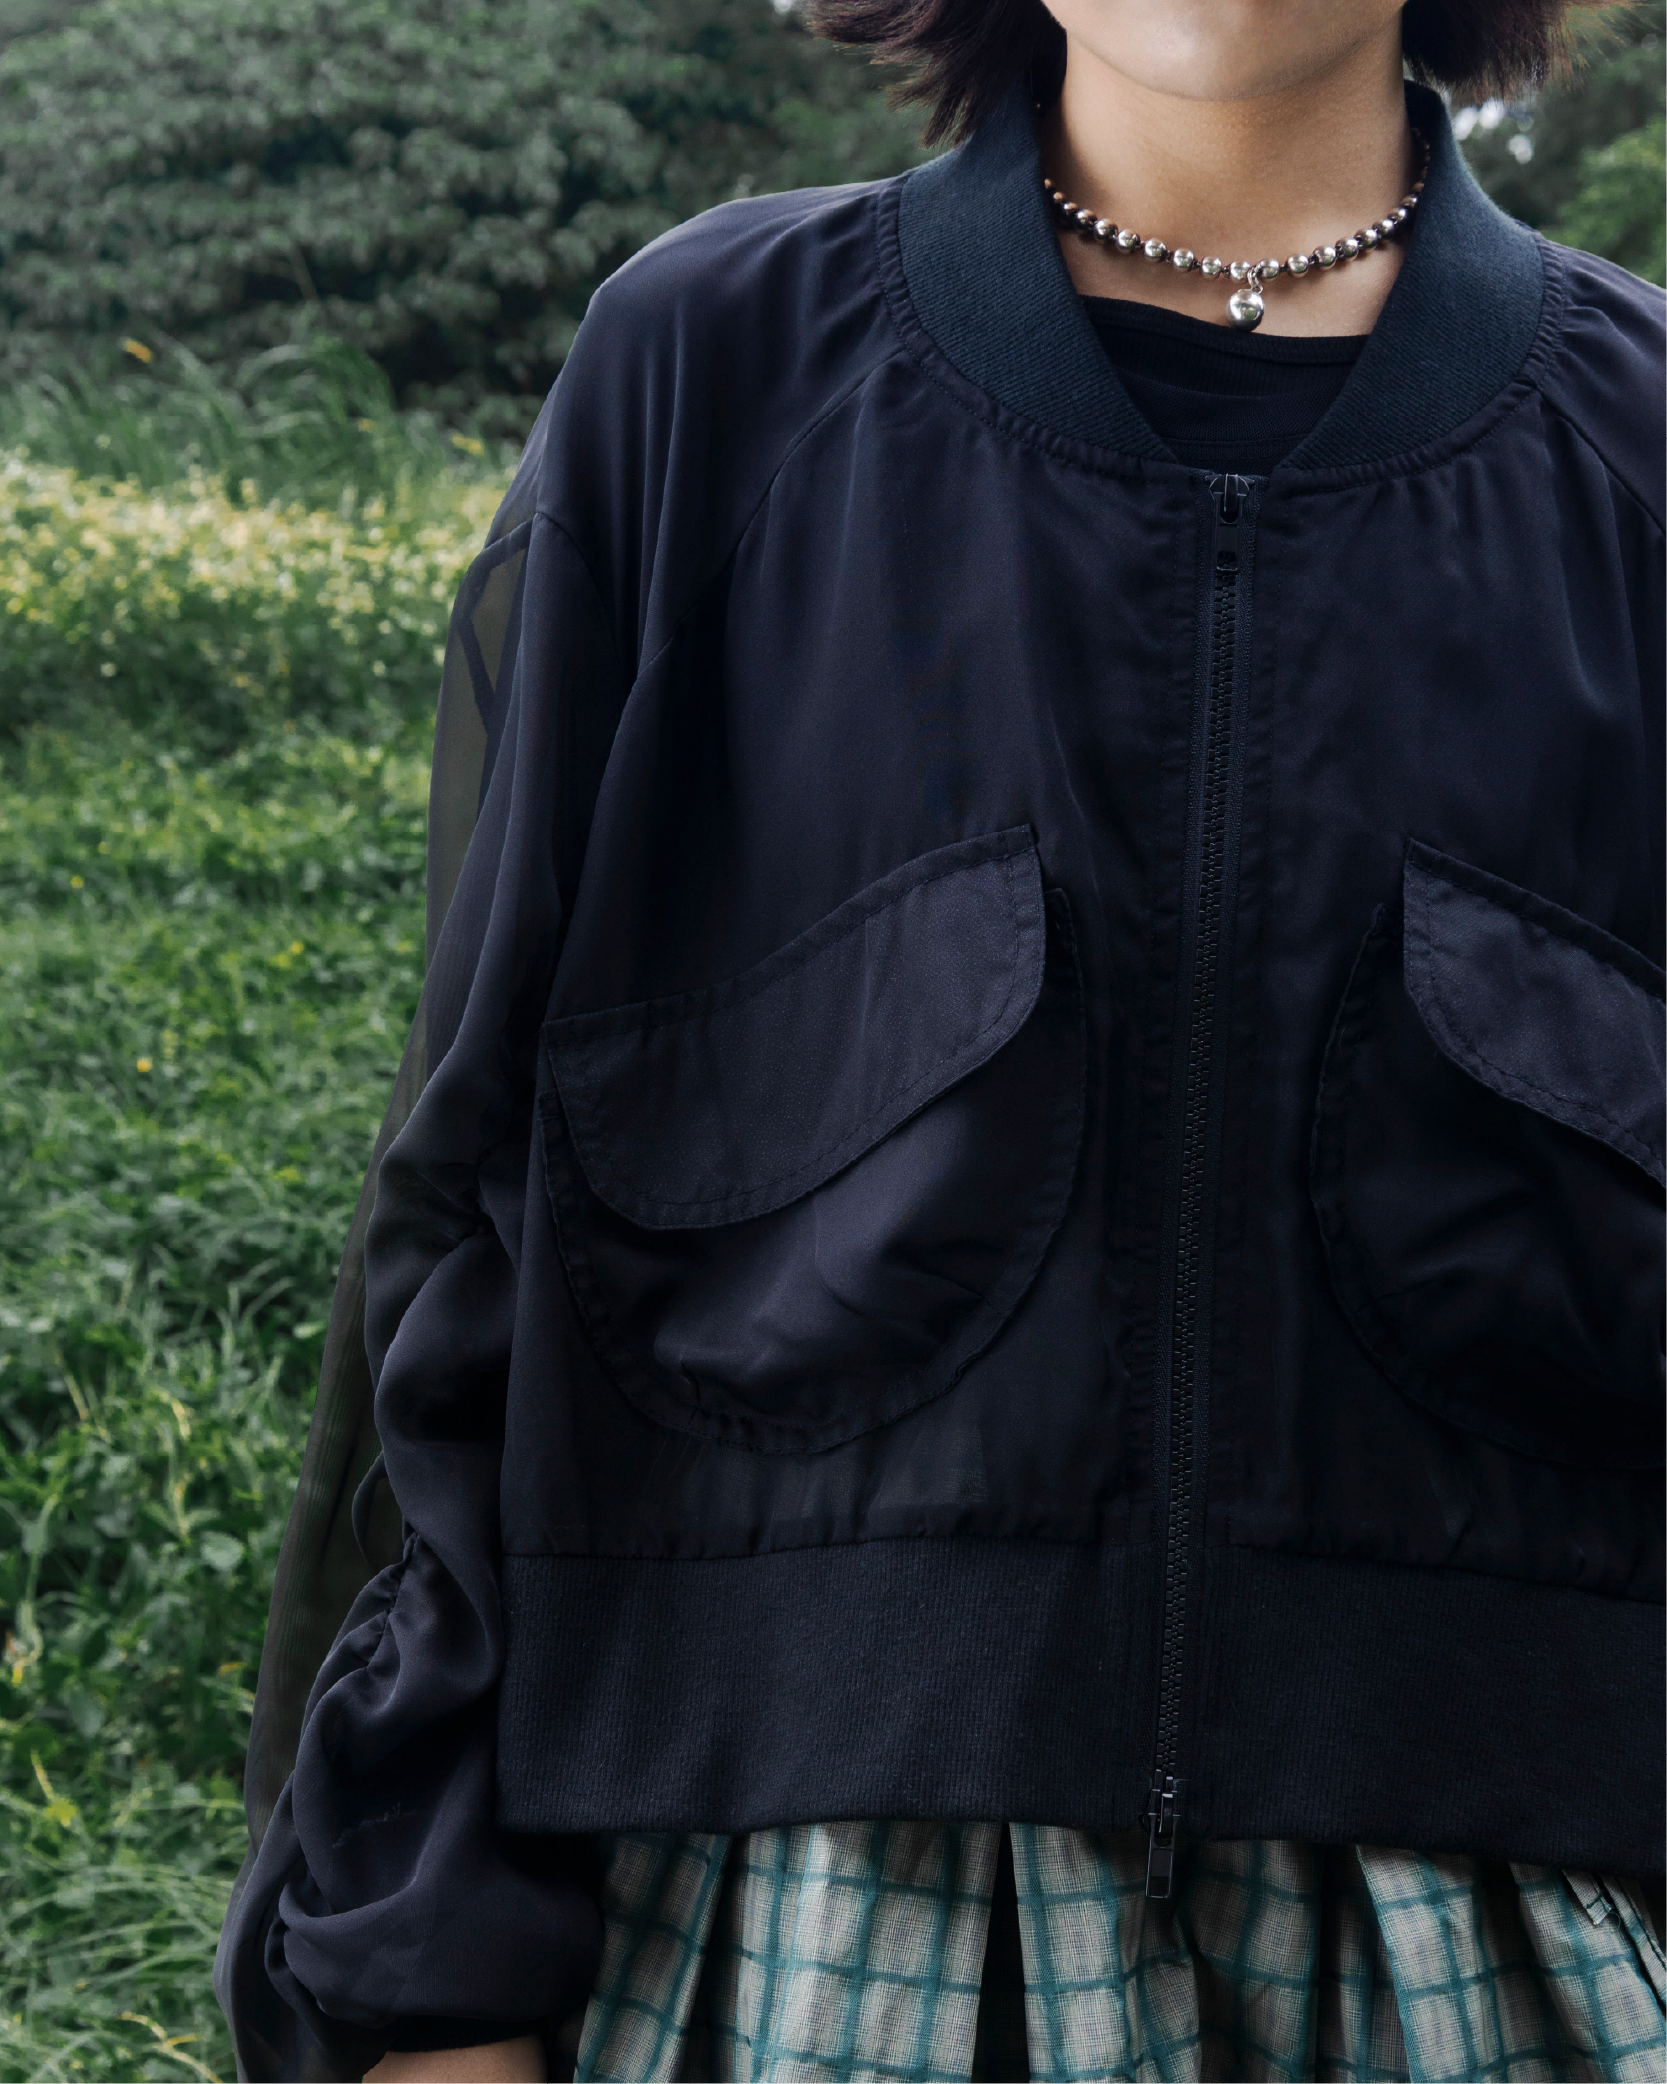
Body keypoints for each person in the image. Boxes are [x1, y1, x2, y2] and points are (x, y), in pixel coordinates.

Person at [217, 0, 1667, 2077]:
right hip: (778, 1941)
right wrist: (414, 1982)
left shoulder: (1636, 450)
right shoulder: (704, 371)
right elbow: (463, 1231)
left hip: (1514, 1952)